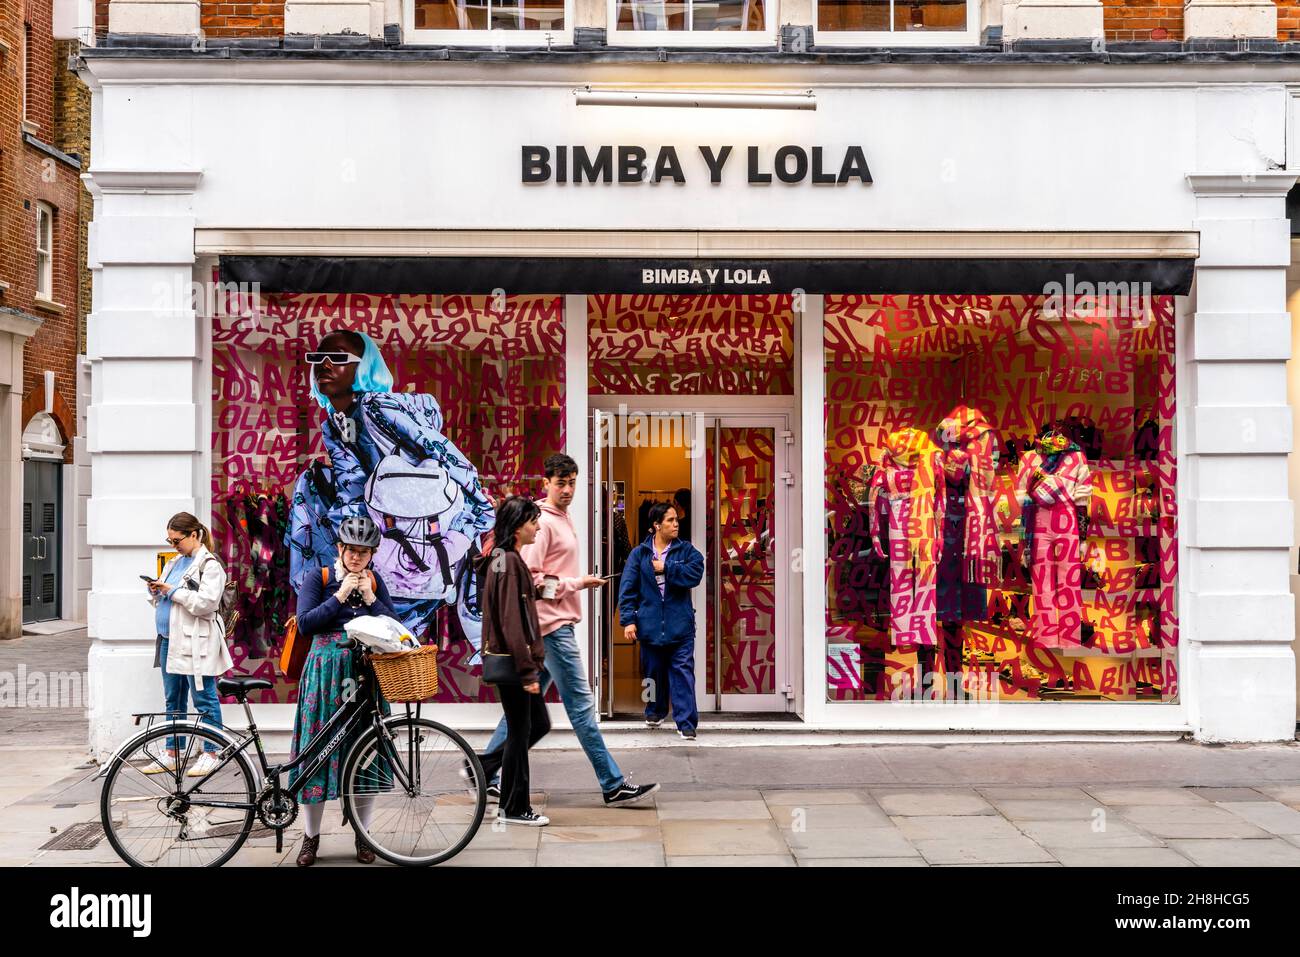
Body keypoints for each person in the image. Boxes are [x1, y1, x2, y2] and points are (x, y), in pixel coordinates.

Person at [286, 328, 494, 647]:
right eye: (317, 360)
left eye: (338, 359)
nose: (324, 366)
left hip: (419, 517)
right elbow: (353, 487)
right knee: (311, 487)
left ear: (363, 368)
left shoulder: (378, 405)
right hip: (388, 528)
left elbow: (438, 447)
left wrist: (479, 505)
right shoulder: (335, 424)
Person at [478, 454, 659, 807]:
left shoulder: (561, 518)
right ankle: (612, 784)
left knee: (526, 714)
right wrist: (576, 584)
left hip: (551, 627)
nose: (567, 489)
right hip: (551, 627)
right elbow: (530, 581)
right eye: (560, 483)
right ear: (546, 483)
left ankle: (484, 769)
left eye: (572, 482)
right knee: (581, 708)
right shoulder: (541, 523)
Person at [290, 514, 401, 867]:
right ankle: (310, 838)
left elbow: (395, 628)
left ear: (372, 555)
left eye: (364, 553)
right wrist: (338, 596)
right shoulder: (318, 577)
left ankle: (363, 836)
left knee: (365, 752)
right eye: (351, 551)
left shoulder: (375, 581)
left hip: (366, 673)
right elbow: (305, 623)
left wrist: (370, 597)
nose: (356, 558)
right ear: (339, 549)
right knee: (316, 752)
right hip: (325, 672)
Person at [477, 496, 551, 826]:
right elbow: (510, 621)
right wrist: (527, 670)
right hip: (515, 665)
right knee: (522, 731)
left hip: (516, 664)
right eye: (533, 521)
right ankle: (515, 806)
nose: (537, 526)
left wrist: (542, 588)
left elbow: (516, 605)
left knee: (535, 725)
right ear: (519, 526)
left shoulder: (505, 559)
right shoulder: (507, 561)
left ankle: (495, 778)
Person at [144, 512, 233, 776]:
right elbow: (169, 598)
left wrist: (171, 591)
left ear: (194, 535)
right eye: (170, 540)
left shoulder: (210, 565)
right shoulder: (175, 563)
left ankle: (212, 752)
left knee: (204, 697)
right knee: (173, 700)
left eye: (177, 540)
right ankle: (173, 751)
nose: (174, 545)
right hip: (169, 641)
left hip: (196, 642)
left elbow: (206, 603)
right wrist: (156, 590)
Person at [619, 502, 705, 739]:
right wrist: (628, 620)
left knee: (682, 672)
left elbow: (695, 574)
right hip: (650, 626)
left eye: (676, 519)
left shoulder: (686, 551)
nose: (676, 524)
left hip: (681, 626)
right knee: (652, 672)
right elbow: (628, 589)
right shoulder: (639, 554)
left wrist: (667, 568)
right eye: (670, 520)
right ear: (656, 525)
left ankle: (686, 722)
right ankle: (654, 710)